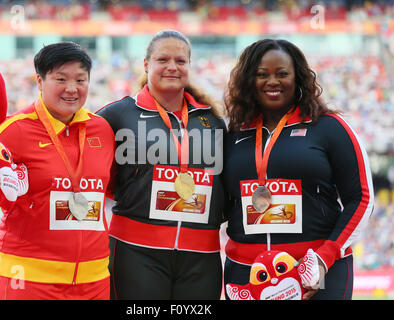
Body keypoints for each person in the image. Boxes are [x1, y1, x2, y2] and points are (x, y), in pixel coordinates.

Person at [0, 42, 115, 299]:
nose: (72, 88)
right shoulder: (13, 131)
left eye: (80, 79)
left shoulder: (103, 130)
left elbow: (112, 189)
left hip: (95, 281)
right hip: (29, 279)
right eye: (61, 79)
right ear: (40, 81)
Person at [222, 39, 374, 300]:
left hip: (316, 269)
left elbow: (361, 198)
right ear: (249, 80)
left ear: (298, 78)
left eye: (282, 74)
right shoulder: (233, 133)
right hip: (246, 272)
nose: (273, 81)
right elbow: (222, 203)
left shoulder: (330, 127)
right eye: (262, 74)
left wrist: (324, 259)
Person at [97, 30, 226, 299]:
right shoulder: (118, 114)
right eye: (162, 59)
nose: (172, 67)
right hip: (135, 250)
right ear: (146, 64)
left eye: (180, 61)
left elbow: (224, 184)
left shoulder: (212, 119)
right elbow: (95, 171)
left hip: (202, 256)